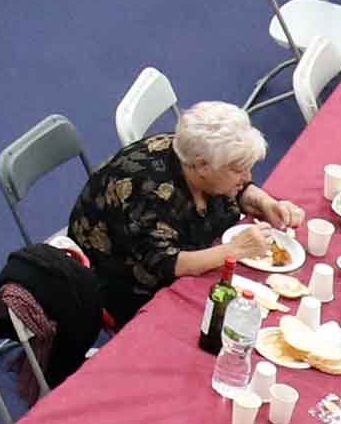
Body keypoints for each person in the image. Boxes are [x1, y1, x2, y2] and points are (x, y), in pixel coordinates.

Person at [63, 103, 300, 333]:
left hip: (173, 253)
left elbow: (234, 189)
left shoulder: (199, 157)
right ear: (202, 166)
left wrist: (263, 201)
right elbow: (169, 264)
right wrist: (235, 250)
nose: (247, 177)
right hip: (120, 283)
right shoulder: (147, 191)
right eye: (239, 170)